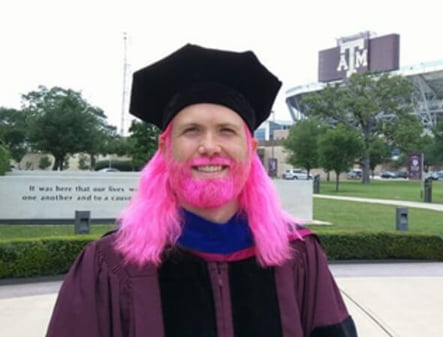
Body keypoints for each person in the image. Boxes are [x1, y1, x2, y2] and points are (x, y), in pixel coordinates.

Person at [45, 43, 358, 337]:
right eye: (192, 131)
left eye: (226, 131)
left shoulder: (298, 255)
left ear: (250, 149)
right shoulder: (110, 263)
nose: (209, 146)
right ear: (166, 149)